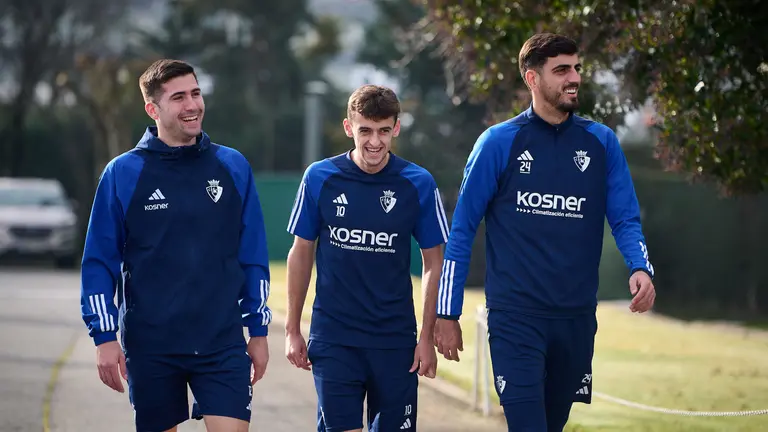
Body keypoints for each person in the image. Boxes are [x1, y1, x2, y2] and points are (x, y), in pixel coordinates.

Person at [433, 33, 657, 431]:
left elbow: (624, 217)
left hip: (575, 319)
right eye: (561, 70)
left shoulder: (602, 142)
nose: (573, 78)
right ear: (532, 79)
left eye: (576, 68)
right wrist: (446, 312)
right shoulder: (498, 143)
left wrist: (640, 266)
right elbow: (463, 229)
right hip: (515, 317)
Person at [80, 59, 271, 432]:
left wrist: (259, 331)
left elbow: (252, 255)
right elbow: (100, 262)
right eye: (178, 97)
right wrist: (104, 337)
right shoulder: (123, 173)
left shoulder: (232, 166)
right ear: (153, 109)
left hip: (220, 342)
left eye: (196, 93)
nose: (192, 105)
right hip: (152, 345)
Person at [284, 84, 449, 432]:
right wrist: (292, 329)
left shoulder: (418, 183)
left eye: (383, 131)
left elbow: (435, 263)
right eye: (365, 131)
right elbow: (301, 252)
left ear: (396, 128)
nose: (375, 141)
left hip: (395, 342)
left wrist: (426, 338)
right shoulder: (320, 177)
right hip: (334, 338)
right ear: (349, 128)